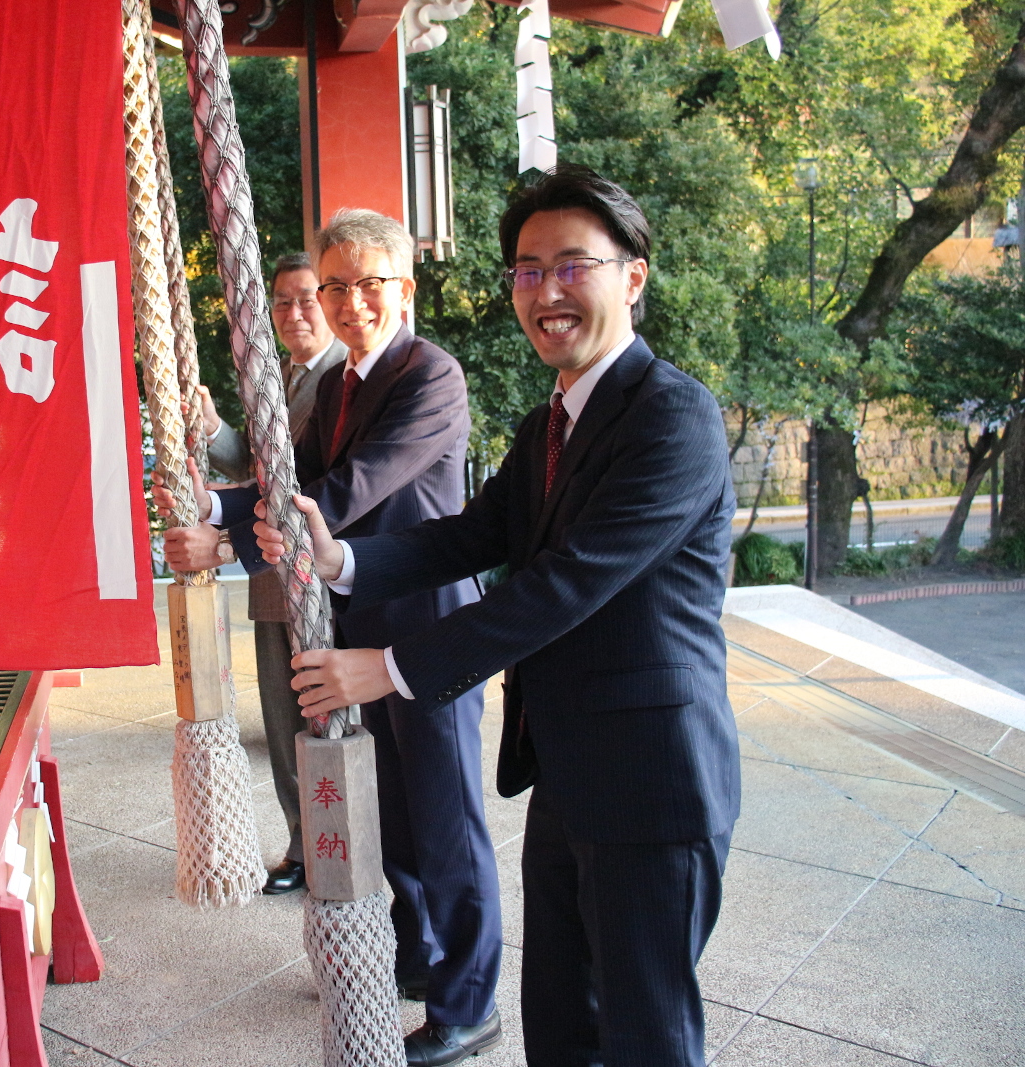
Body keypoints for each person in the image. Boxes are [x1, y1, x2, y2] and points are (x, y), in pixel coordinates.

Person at [254, 166, 740, 1067]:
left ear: (631, 276)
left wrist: (391, 666)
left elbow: (562, 585)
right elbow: (470, 535)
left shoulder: (672, 417)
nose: (546, 291)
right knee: (559, 1022)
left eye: (571, 266)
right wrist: (344, 558)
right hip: (567, 770)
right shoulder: (547, 422)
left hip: (651, 778)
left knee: (647, 1034)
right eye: (526, 270)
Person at [159, 209, 503, 1065]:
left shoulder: (433, 375)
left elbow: (346, 492)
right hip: (354, 624)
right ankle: (416, 960)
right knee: (397, 811)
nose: (352, 304)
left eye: (369, 285)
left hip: (426, 625)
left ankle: (470, 1000)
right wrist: (213, 507)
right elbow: (293, 475)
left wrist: (231, 542)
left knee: (448, 817)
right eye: (337, 286)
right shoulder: (345, 381)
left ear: (404, 290)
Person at [200, 252, 347, 894]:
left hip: (314, 578)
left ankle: (334, 844)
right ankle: (302, 843)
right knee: (283, 719)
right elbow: (260, 470)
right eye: (281, 302)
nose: (293, 313)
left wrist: (224, 544)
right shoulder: (283, 377)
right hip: (270, 583)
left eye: (307, 298)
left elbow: (306, 486)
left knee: (321, 723)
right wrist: (214, 431)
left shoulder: (344, 378)